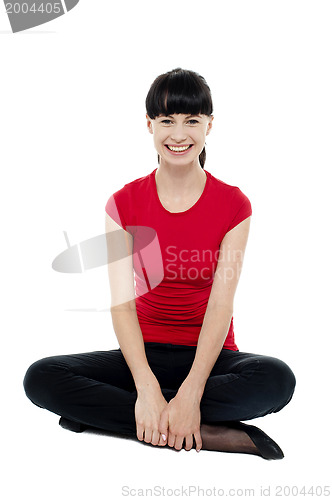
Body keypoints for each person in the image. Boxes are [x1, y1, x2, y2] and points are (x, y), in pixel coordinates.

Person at [23, 67, 296, 460]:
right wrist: (147, 387)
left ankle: (119, 416)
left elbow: (221, 305)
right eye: (166, 120)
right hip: (142, 355)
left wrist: (192, 390)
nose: (179, 134)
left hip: (211, 358)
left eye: (191, 120)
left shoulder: (234, 205)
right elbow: (122, 304)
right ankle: (200, 429)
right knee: (41, 377)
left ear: (209, 125)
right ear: (149, 124)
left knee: (277, 380)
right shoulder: (123, 203)